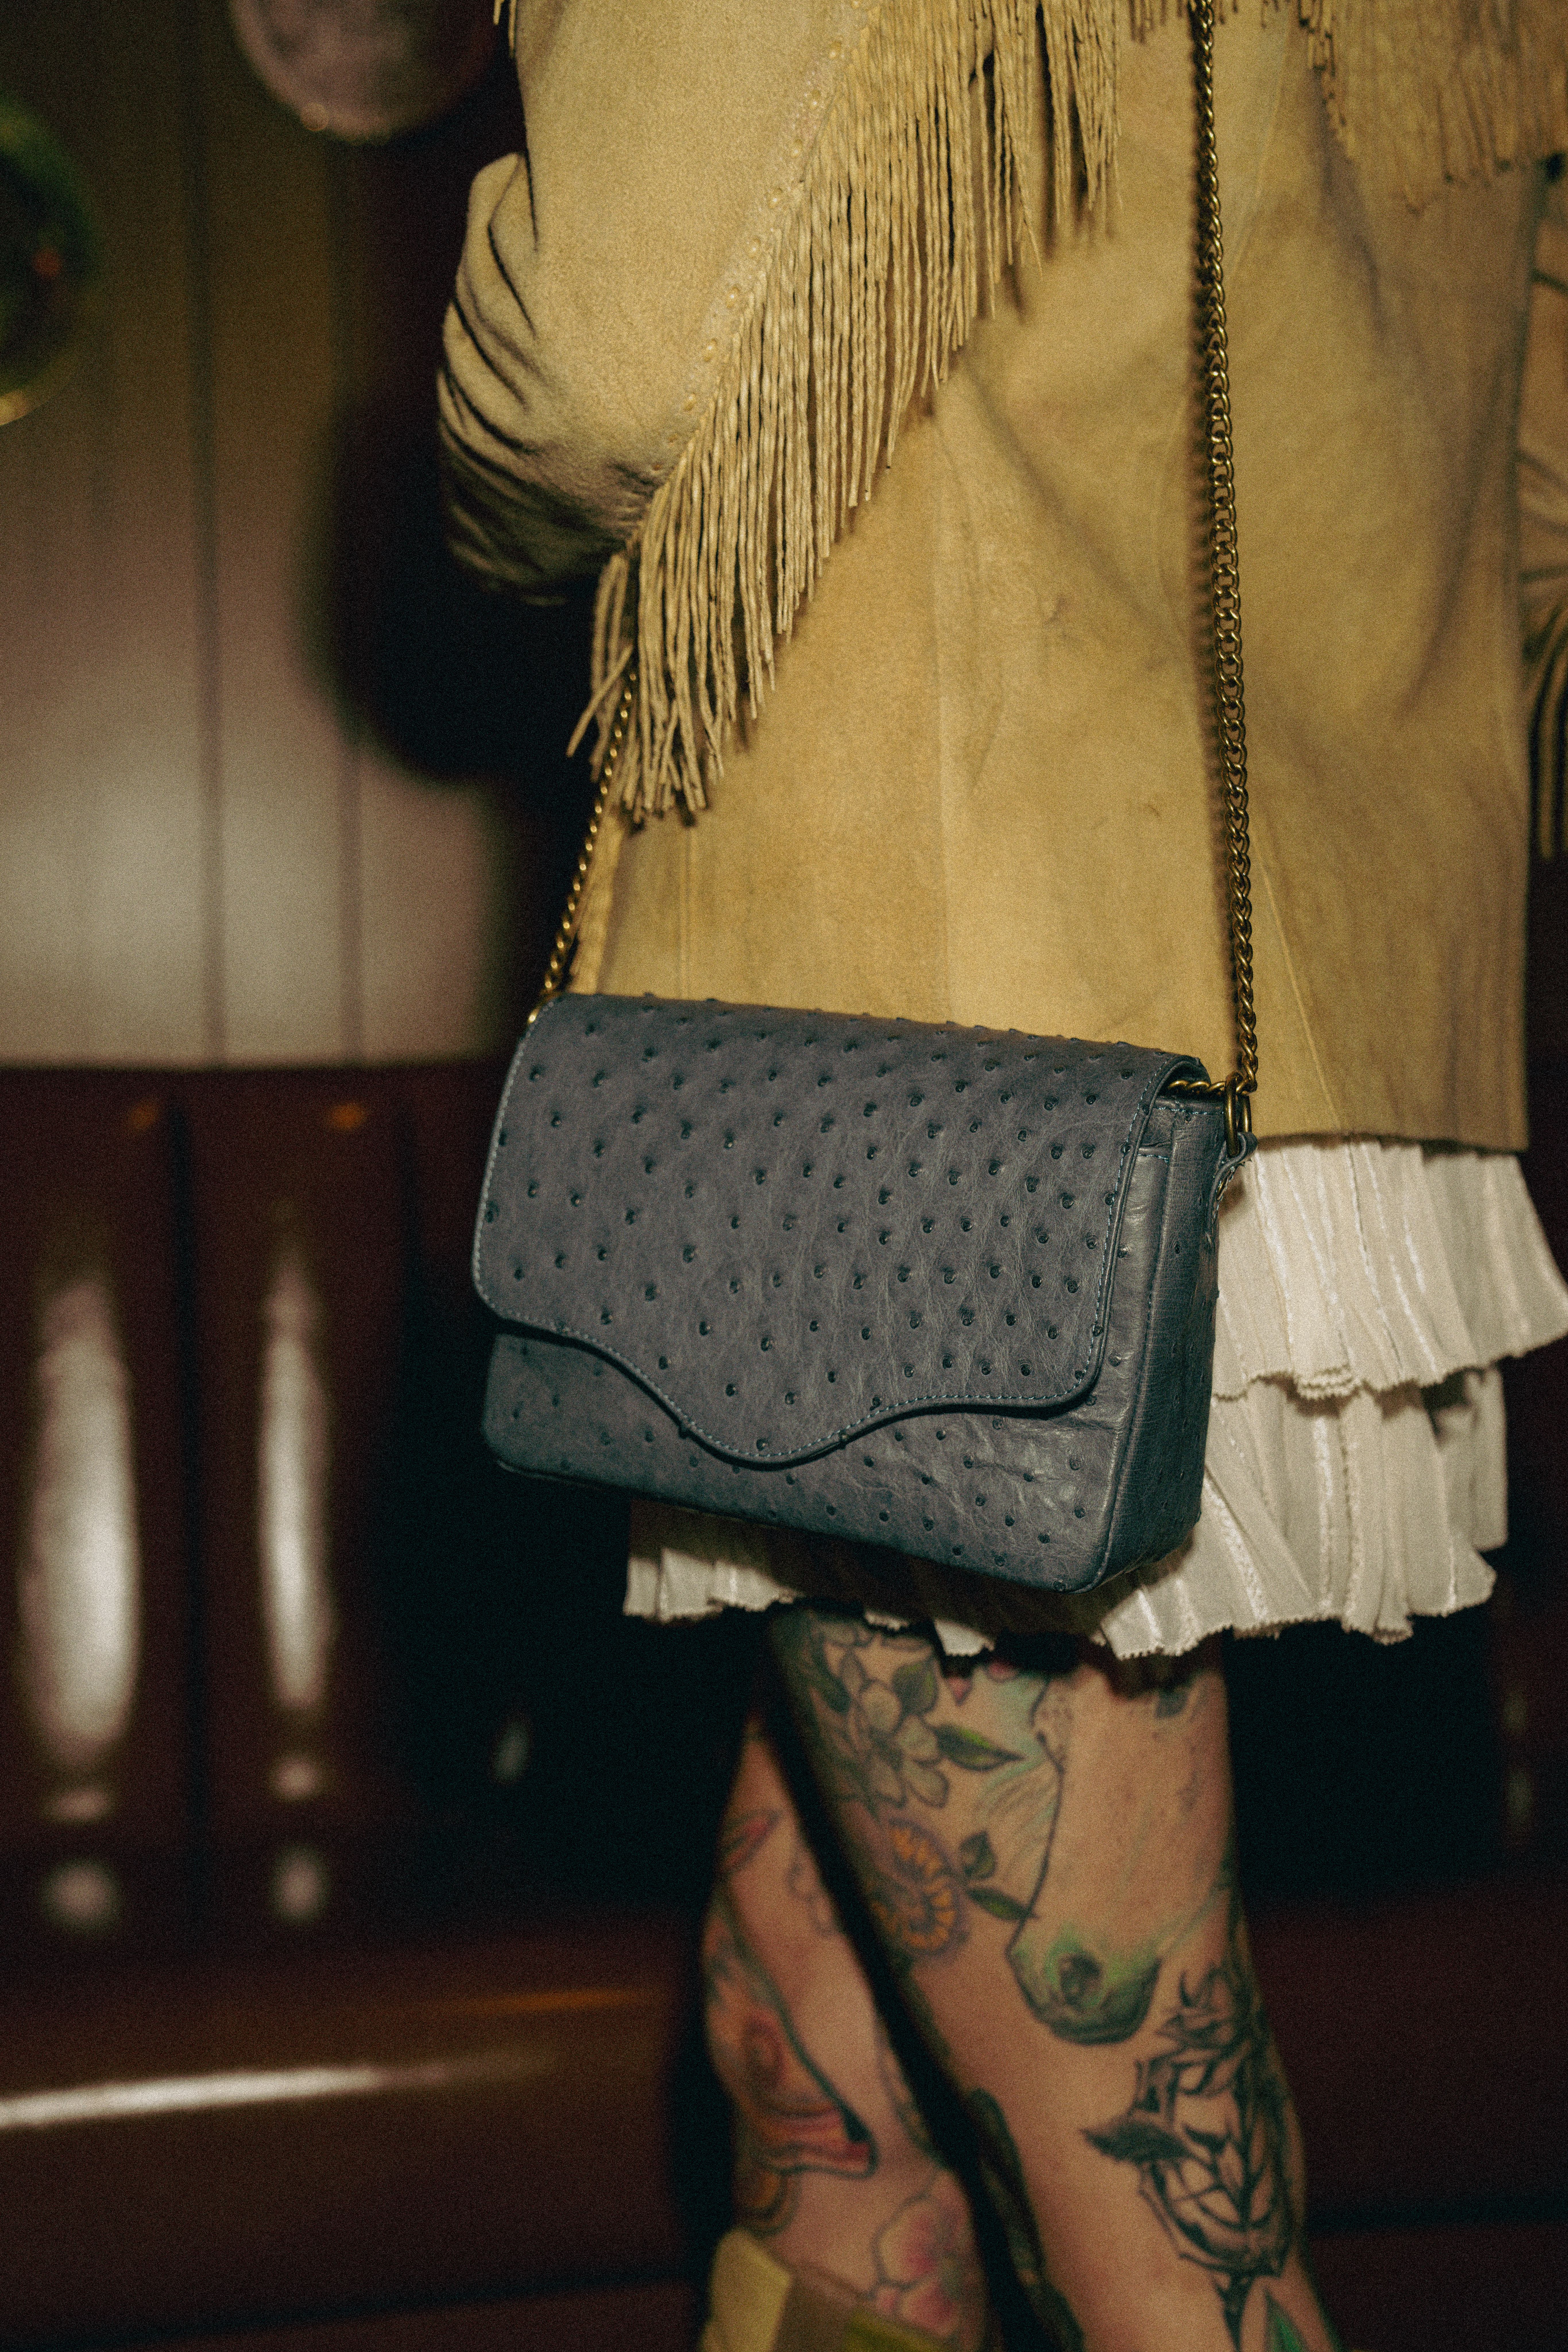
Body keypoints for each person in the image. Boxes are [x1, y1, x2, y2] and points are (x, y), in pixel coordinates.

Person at [437, 3, 1568, 2345]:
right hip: (1325, 992)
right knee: (823, 2117)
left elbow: (602, 363)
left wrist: (474, 513)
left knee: (1159, 2238)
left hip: (929, 1082)